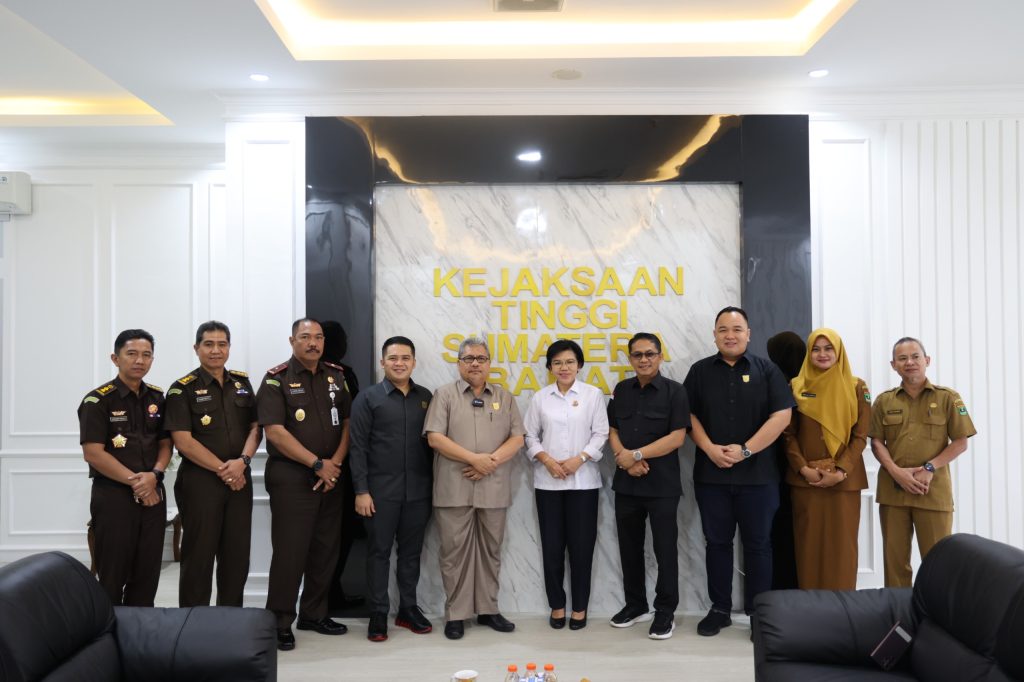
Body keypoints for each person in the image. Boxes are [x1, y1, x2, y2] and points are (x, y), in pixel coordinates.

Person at [683, 306, 794, 637]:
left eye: (736, 329)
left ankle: (759, 614)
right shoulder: (700, 371)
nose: (729, 335)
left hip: (759, 478)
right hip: (712, 476)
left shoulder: (767, 370)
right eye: (723, 329)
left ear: (748, 333)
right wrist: (709, 448)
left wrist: (746, 450)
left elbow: (782, 416)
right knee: (716, 543)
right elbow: (688, 415)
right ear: (714, 335)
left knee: (759, 545)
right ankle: (719, 609)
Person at [256, 318, 352, 651]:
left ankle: (314, 614)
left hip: (331, 476)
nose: (313, 343)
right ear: (292, 340)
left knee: (325, 550)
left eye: (318, 337)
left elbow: (347, 422)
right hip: (292, 477)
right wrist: (316, 464)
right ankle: (280, 621)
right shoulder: (276, 379)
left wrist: (333, 464)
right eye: (306, 337)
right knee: (290, 552)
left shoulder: (336, 376)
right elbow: (275, 432)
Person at [423, 337, 525, 640]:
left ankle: (488, 610)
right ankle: (456, 614)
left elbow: (517, 438)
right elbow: (435, 438)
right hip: (453, 487)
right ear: (459, 364)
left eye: (481, 358)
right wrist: (473, 459)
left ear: (489, 363)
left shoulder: (504, 397)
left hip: (493, 487)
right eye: (469, 359)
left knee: (491, 551)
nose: (475, 364)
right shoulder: (444, 395)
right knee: (453, 554)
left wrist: (489, 463)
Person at [164, 321, 261, 607]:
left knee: (236, 556)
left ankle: (229, 620)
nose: (216, 350)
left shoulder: (242, 384)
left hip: (239, 481)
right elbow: (183, 441)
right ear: (197, 348)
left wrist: (242, 462)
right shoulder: (181, 389)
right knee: (199, 556)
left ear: (229, 347)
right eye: (209, 344)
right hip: (200, 483)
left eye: (222, 344)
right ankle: (194, 622)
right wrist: (227, 470)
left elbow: (256, 427)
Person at [869, 337, 976, 587]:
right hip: (894, 493)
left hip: (932, 492)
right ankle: (898, 610)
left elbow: (960, 442)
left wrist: (929, 468)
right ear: (893, 365)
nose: (909, 362)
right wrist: (896, 472)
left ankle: (935, 611)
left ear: (927, 360)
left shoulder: (948, 398)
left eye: (915, 356)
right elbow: (876, 442)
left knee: (938, 563)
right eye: (902, 358)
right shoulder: (884, 401)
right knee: (895, 565)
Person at [349, 336, 434, 642]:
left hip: (419, 492)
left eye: (405, 358)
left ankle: (408, 609)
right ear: (382, 362)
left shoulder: (425, 397)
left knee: (411, 554)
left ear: (414, 362)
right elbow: (357, 447)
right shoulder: (368, 399)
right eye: (393, 358)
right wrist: (361, 490)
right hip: (379, 493)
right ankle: (378, 613)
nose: (400, 363)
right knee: (379, 553)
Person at [78, 329, 171, 606]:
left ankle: (139, 628)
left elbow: (166, 444)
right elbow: (93, 453)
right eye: (131, 354)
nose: (139, 360)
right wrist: (138, 483)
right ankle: (109, 628)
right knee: (112, 573)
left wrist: (154, 475)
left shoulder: (157, 398)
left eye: (146, 355)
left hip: (153, 493)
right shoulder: (97, 400)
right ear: (115, 358)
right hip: (114, 496)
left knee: (147, 572)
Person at [606, 333, 689, 640]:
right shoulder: (621, 390)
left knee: (665, 550)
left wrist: (637, 455)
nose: (644, 359)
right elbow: (613, 430)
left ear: (660, 357)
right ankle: (636, 605)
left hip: (662, 485)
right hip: (626, 483)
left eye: (649, 354)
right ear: (630, 359)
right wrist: (624, 460)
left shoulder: (675, 391)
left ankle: (665, 611)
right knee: (629, 548)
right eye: (637, 355)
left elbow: (677, 437)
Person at [523, 339, 608, 631]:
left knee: (582, 550)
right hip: (548, 484)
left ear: (579, 365)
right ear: (550, 367)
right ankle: (557, 606)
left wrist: (579, 459)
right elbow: (529, 436)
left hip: (584, 483)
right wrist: (547, 460)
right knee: (552, 549)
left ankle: (580, 608)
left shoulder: (592, 395)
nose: (564, 367)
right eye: (557, 362)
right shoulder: (540, 398)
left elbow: (601, 434)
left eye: (570, 361)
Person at [783, 328, 870, 590]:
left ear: (839, 351)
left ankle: (842, 608)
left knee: (842, 548)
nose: (822, 354)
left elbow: (861, 436)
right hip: (806, 481)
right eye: (816, 349)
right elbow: (787, 434)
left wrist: (840, 470)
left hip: (844, 481)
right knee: (808, 547)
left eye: (829, 348)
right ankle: (811, 607)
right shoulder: (796, 386)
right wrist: (803, 468)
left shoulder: (857, 386)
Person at [321, 320, 365, 612]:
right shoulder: (340, 373)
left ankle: (332, 592)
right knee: (331, 537)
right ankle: (324, 595)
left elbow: (353, 419)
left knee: (341, 534)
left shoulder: (343, 373)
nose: (346, 344)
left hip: (340, 464)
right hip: (326, 467)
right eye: (342, 339)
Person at [765, 331, 806, 590]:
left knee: (779, 530)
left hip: (776, 467)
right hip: (805, 469)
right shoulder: (810, 383)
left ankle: (781, 588)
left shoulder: (773, 381)